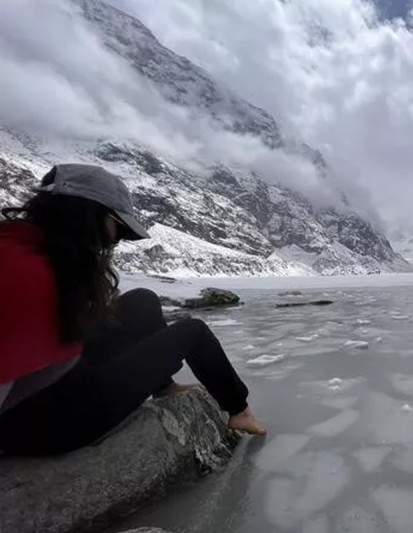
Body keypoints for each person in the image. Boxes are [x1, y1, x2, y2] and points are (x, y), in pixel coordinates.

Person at [0, 164, 266, 456]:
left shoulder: (29, 248)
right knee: (193, 332)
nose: (114, 243)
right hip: (46, 421)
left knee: (143, 301)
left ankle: (162, 384)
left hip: (55, 381)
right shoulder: (22, 272)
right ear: (87, 216)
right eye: (118, 231)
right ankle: (239, 410)